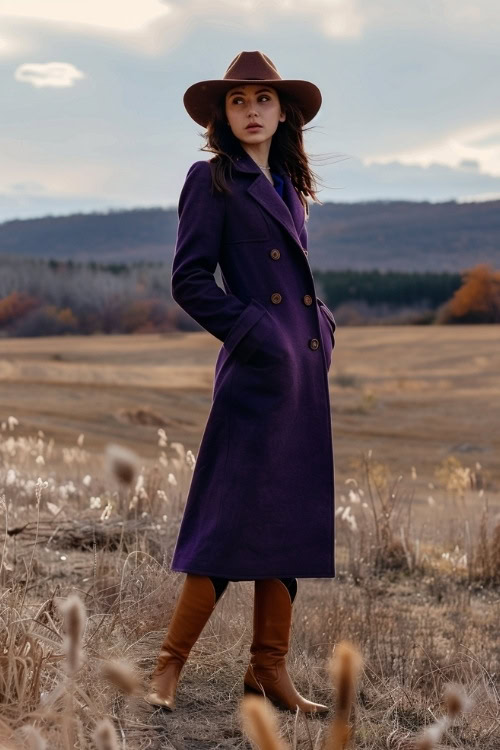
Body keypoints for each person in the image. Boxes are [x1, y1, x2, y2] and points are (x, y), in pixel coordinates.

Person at [146, 51, 337, 715]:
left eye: (263, 99)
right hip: (256, 375)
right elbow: (189, 280)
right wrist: (259, 334)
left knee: (288, 519)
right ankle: (167, 667)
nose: (251, 110)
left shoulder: (290, 183)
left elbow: (295, 281)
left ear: (283, 112)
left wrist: (322, 328)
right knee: (229, 521)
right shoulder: (212, 180)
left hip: (300, 377)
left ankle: (268, 671)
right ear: (223, 116)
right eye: (238, 101)